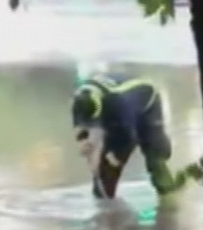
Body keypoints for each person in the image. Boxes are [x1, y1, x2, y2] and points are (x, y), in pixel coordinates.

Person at [71, 70, 174, 199]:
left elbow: (129, 138)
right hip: (117, 106)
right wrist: (84, 144)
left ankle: (168, 193)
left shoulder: (119, 102)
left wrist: (114, 160)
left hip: (148, 103)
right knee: (104, 171)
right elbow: (81, 128)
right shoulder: (79, 98)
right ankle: (103, 198)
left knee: (154, 155)